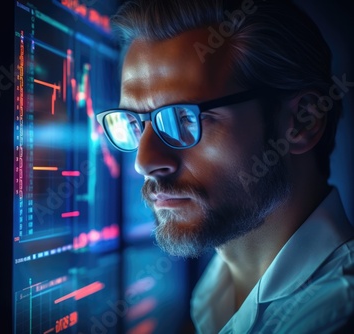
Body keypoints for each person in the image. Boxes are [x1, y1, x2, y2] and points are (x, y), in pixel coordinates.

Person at [95, 0, 354, 332]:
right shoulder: (212, 292)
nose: (144, 163)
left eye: (183, 118)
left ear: (303, 121)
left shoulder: (334, 318)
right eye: (134, 124)